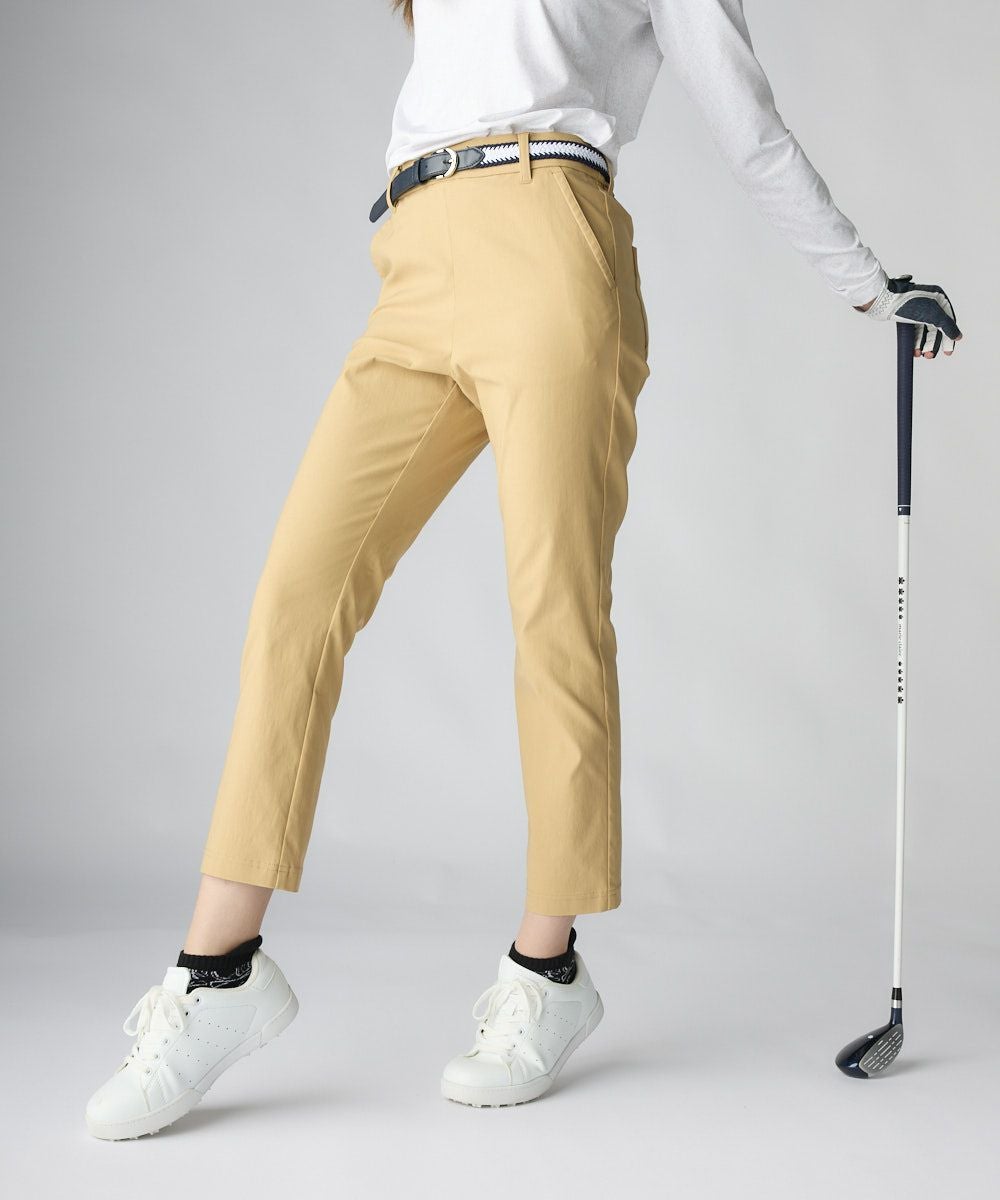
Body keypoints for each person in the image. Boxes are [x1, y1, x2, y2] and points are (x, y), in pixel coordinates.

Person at [85, 0, 962, 1139]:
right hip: (414, 255)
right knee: (297, 598)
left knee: (555, 611)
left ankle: (547, 971)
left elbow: (743, 117)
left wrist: (868, 281)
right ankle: (220, 973)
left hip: (548, 231)